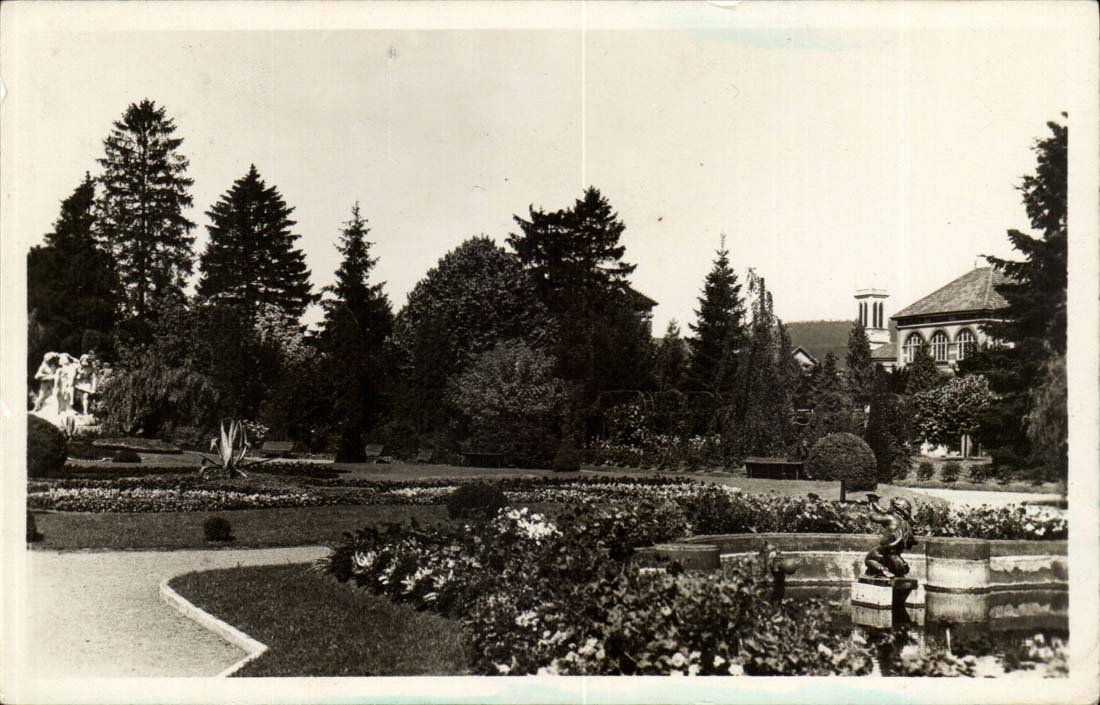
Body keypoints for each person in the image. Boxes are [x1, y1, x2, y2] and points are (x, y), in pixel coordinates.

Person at [863, 494, 915, 578]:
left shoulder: (891, 518)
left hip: (886, 548)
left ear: (896, 509)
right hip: (896, 551)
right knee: (889, 556)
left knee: (869, 559)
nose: (889, 508)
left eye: (891, 506)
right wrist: (876, 505)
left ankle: (882, 570)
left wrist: (871, 508)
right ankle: (902, 565)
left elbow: (874, 517)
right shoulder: (905, 523)